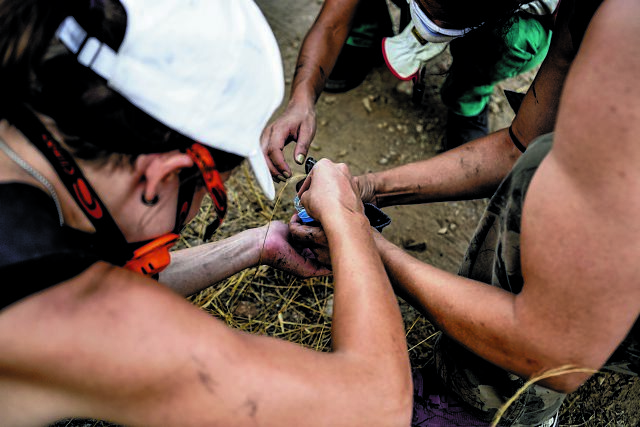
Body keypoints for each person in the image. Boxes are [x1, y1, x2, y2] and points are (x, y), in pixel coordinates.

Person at [0, 1, 413, 426]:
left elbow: (114, 276)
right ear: (162, 177)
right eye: (211, 195)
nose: (202, 209)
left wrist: (257, 244)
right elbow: (377, 405)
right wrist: (346, 215)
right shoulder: (56, 308)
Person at [290, 0, 640, 425]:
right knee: (545, 158)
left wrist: (361, 242)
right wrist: (367, 188)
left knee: (546, 172)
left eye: (444, 21)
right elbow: (518, 143)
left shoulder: (627, 37)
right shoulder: (587, 12)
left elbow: (555, 350)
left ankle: (489, 405)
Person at [261, 0, 557, 183]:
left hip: (503, 21)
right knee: (350, 9)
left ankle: (468, 97)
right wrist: (302, 101)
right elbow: (331, 23)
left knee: (515, 41)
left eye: (445, 24)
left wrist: (373, 187)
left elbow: (516, 145)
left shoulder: (561, 7)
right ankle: (366, 31)